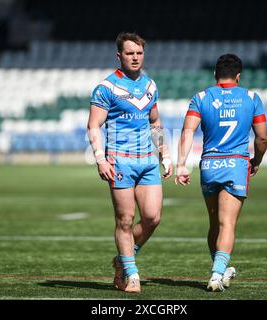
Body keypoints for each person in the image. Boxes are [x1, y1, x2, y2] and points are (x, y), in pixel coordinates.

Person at [87, 32, 173, 293]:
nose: (135, 58)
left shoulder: (150, 86)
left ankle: (123, 259)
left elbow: (155, 122)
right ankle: (131, 275)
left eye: (139, 53)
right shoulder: (107, 87)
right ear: (119, 56)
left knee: (153, 218)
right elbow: (93, 125)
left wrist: (165, 155)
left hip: (147, 161)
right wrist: (100, 159)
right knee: (125, 220)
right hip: (120, 162)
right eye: (129, 53)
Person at [175, 54, 267, 292]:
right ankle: (217, 274)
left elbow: (187, 131)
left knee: (214, 224)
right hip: (235, 165)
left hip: (209, 166)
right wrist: (256, 160)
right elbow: (262, 137)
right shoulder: (251, 98)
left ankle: (221, 269)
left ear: (215, 74)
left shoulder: (201, 97)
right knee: (227, 224)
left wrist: (182, 164)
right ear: (238, 76)